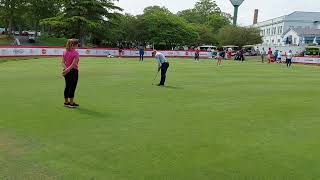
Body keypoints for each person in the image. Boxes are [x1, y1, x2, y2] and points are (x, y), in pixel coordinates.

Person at [62, 39, 80, 108]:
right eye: (77, 44)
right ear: (73, 45)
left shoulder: (65, 52)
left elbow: (62, 62)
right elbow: (73, 64)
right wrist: (68, 70)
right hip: (73, 71)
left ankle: (66, 102)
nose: (78, 45)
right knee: (72, 87)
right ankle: (71, 103)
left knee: (67, 86)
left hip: (66, 71)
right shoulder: (76, 53)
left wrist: (65, 69)